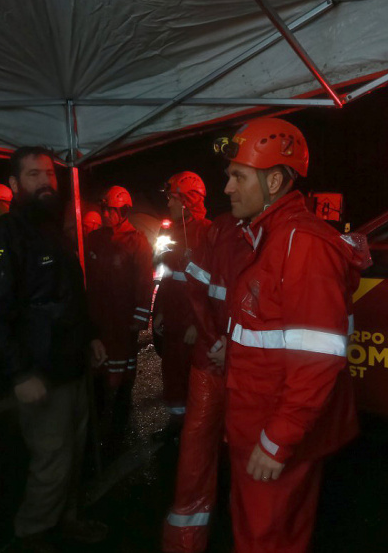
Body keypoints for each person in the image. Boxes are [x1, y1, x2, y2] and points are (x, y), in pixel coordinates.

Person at [217, 118, 370, 553]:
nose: (228, 188)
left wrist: (276, 440)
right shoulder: (268, 237)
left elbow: (318, 358)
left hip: (273, 432)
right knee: (261, 531)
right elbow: (267, 326)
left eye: (238, 177)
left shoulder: (300, 245)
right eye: (229, 176)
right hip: (256, 423)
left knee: (265, 539)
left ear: (276, 181)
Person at [0, 146, 108, 552]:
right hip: (41, 374)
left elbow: (67, 298)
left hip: (71, 366)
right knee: (51, 462)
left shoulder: (53, 233)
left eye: (49, 173)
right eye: (33, 175)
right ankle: (33, 534)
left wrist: (91, 335)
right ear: (13, 184)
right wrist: (19, 373)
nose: (46, 181)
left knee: (72, 455)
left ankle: (67, 520)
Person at [162, 210, 252, 552]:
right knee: (197, 445)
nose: (228, 187)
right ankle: (186, 539)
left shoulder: (283, 234)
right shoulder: (222, 230)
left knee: (249, 451)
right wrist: (215, 341)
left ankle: (244, 533)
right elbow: (196, 289)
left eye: (239, 176)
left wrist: (230, 346)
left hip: (245, 364)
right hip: (211, 359)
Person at [85, 186, 152, 452]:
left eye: (113, 209)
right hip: (99, 323)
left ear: (124, 212)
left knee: (123, 378)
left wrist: (139, 316)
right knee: (98, 378)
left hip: (123, 324)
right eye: (106, 208)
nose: (108, 214)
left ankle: (119, 432)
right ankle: (96, 433)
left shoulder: (137, 241)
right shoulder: (93, 239)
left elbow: (144, 282)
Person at [152, 172, 212, 418]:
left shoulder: (207, 232)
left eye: (172, 199)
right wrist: (160, 311)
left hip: (192, 328)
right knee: (173, 376)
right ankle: (175, 428)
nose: (168, 204)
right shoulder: (174, 231)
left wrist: (198, 324)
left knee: (192, 381)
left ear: (188, 200)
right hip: (174, 322)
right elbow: (166, 275)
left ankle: (190, 434)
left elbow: (214, 285)